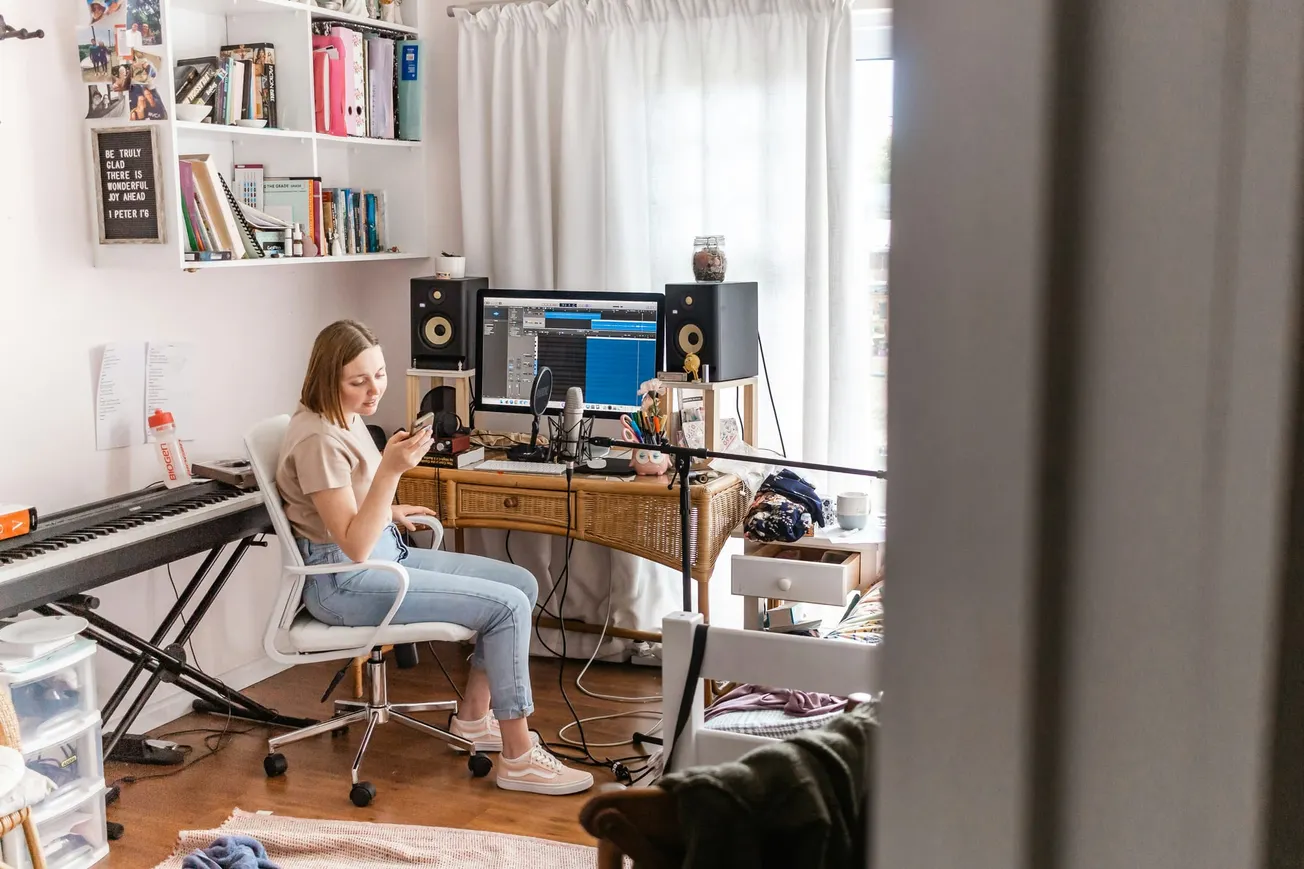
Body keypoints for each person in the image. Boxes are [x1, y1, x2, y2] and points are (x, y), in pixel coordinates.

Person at [275, 320, 594, 796]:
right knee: (505, 608)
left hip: (385, 554)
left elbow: (347, 506)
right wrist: (391, 471)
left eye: (379, 374)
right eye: (358, 381)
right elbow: (353, 545)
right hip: (346, 583)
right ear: (327, 378)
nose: (373, 390)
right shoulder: (319, 439)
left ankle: (473, 721)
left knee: (522, 585)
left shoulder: (343, 415)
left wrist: (389, 505)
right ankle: (518, 756)